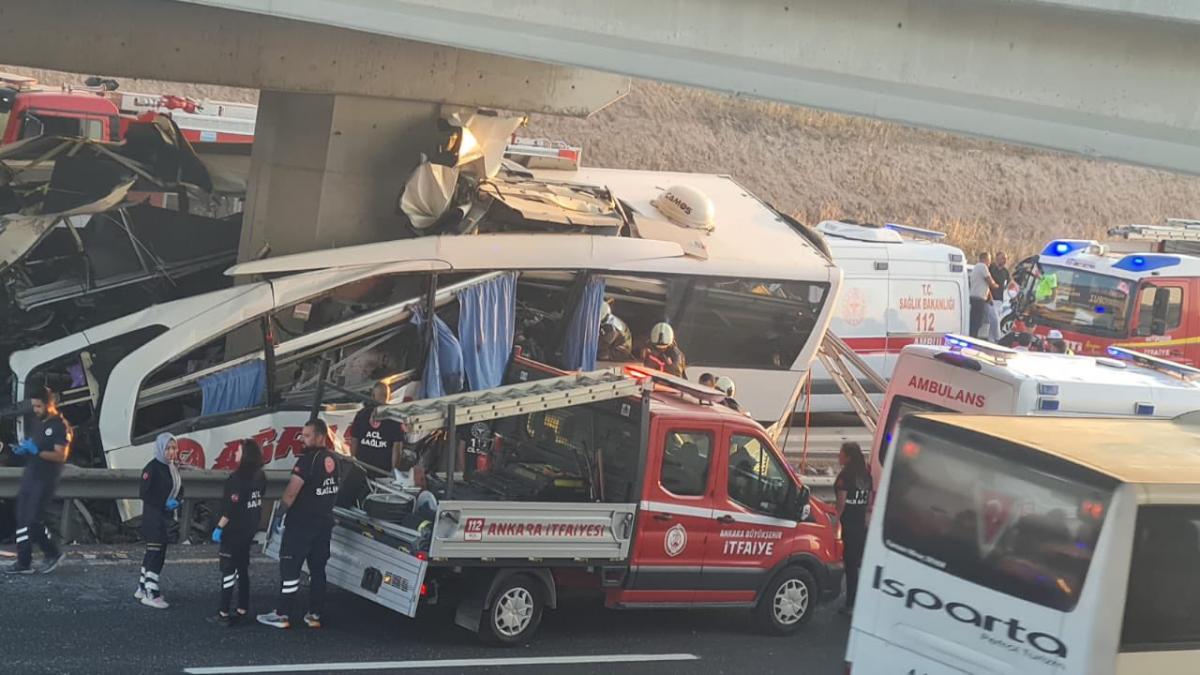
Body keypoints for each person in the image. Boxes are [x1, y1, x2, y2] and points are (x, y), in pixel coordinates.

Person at [258, 418, 340, 630]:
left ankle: (282, 614)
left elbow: (293, 490)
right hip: (324, 523)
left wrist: (280, 513)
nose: (303, 440)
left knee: (290, 568)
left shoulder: (306, 461)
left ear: (320, 436)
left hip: (302, 524)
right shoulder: (334, 460)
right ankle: (314, 614)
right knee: (318, 570)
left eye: (307, 435)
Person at [5, 388, 68, 575]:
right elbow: (33, 446)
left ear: (50, 404)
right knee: (23, 517)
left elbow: (60, 455)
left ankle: (46, 554)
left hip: (45, 479)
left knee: (31, 519)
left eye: (39, 406)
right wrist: (22, 450)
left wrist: (37, 452)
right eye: (34, 406)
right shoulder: (38, 424)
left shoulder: (59, 425)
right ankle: (26, 561)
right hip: (30, 476)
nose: (36, 409)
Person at [210, 439, 266, 626]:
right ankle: (242, 608)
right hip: (248, 530)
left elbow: (230, 508)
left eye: (238, 451)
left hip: (233, 531)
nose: (235, 454)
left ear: (246, 456)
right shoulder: (260, 476)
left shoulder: (236, 479)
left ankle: (223, 612)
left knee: (228, 570)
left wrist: (219, 527)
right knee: (242, 570)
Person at [136, 432, 182, 608]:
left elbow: (179, 488)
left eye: (173, 448)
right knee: (156, 555)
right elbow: (144, 493)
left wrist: (177, 501)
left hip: (165, 518)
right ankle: (151, 592)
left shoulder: (172, 468)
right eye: (168, 448)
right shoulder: (152, 468)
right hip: (154, 518)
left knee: (154, 553)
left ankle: (142, 586)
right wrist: (164, 503)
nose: (171, 452)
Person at [835, 441, 872, 616]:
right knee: (859, 564)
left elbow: (841, 505)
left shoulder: (845, 477)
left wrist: (835, 522)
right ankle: (862, 601)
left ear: (848, 456)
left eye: (841, 453)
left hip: (849, 524)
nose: (838, 456)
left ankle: (850, 604)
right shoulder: (866, 475)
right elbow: (868, 503)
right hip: (861, 525)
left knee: (850, 566)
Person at [348, 382, 405, 475]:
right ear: (373, 396)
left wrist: (395, 472)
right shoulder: (362, 415)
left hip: (382, 472)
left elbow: (397, 447)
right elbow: (354, 440)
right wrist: (353, 462)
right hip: (361, 469)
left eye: (384, 395)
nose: (382, 398)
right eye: (380, 395)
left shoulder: (394, 418)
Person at [968, 252, 998, 338]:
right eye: (989, 260)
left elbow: (985, 285)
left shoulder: (976, 267)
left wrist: (990, 298)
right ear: (984, 259)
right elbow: (990, 282)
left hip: (975, 298)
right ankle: (973, 338)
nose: (989, 263)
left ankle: (974, 336)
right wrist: (996, 285)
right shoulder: (982, 266)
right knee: (977, 321)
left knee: (976, 321)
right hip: (978, 299)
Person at [988, 251, 1011, 342]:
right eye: (1003, 258)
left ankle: (991, 340)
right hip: (990, 299)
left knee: (995, 321)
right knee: (994, 320)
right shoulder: (991, 268)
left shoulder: (1005, 272)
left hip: (1000, 300)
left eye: (1006, 258)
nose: (1005, 260)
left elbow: (1008, 284)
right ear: (997, 258)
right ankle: (997, 339)